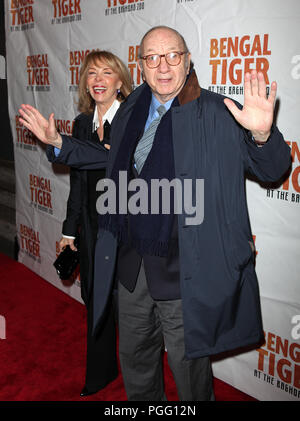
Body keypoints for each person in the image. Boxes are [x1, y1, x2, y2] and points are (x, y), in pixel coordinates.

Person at [19, 26, 291, 401]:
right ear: (142, 65)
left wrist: (262, 135)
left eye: (172, 56)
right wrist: (59, 144)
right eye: (152, 58)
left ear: (188, 60)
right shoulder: (132, 107)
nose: (163, 66)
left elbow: (272, 170)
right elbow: (110, 158)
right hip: (131, 265)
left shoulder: (215, 112)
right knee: (136, 359)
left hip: (184, 271)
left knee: (189, 372)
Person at [57, 50, 132, 397]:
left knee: (129, 308)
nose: (98, 79)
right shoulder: (80, 124)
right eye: (91, 74)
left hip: (128, 230)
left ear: (120, 82)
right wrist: (69, 232)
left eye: (106, 72)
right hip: (90, 227)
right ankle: (101, 372)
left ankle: (138, 379)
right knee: (95, 300)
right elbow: (77, 184)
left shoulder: (134, 120)